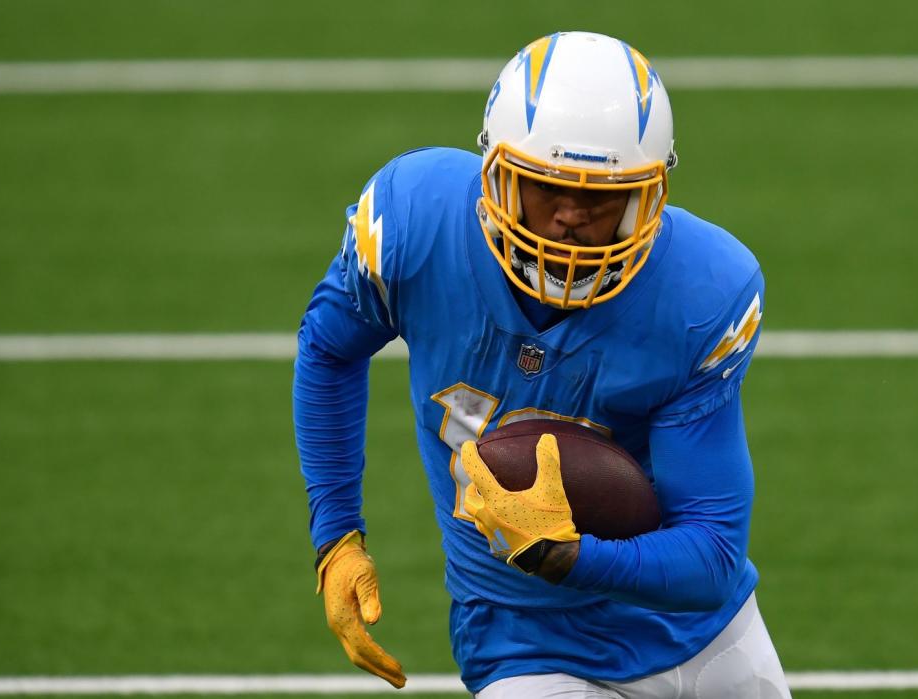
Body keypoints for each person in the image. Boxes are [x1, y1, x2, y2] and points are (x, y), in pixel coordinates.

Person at [294, 31, 792, 698]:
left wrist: (570, 554)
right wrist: (337, 538)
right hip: (522, 638)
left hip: (697, 634)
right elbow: (329, 347)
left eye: (602, 198)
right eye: (542, 186)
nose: (569, 218)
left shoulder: (702, 292)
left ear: (651, 195)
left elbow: (712, 557)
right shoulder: (414, 224)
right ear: (494, 171)